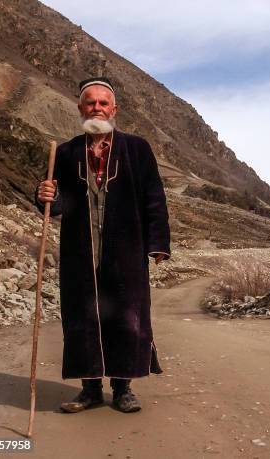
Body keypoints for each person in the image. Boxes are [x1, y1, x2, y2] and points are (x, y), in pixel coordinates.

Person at [35, 76, 171, 413]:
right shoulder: (65, 153)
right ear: (81, 108)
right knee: (83, 318)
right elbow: (61, 204)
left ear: (115, 110)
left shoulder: (137, 149)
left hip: (126, 250)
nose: (97, 107)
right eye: (90, 102)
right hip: (80, 252)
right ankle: (90, 390)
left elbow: (154, 198)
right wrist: (45, 197)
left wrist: (157, 243)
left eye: (103, 103)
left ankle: (123, 389)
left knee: (126, 316)